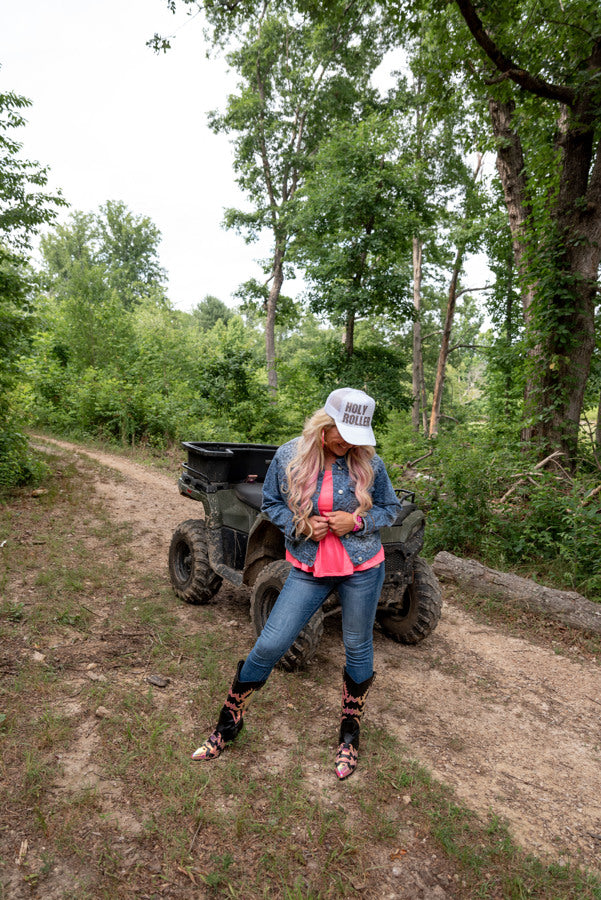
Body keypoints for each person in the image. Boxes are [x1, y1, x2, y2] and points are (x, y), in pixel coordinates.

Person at [191, 387, 401, 780]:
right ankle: (228, 723)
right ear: (325, 425)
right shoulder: (290, 455)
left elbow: (390, 508)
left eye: (357, 437)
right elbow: (271, 502)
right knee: (271, 642)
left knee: (358, 647)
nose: (349, 444)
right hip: (309, 565)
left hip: (362, 567)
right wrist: (299, 525)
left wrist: (356, 522)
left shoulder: (370, 462)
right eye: (343, 435)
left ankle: (349, 736)